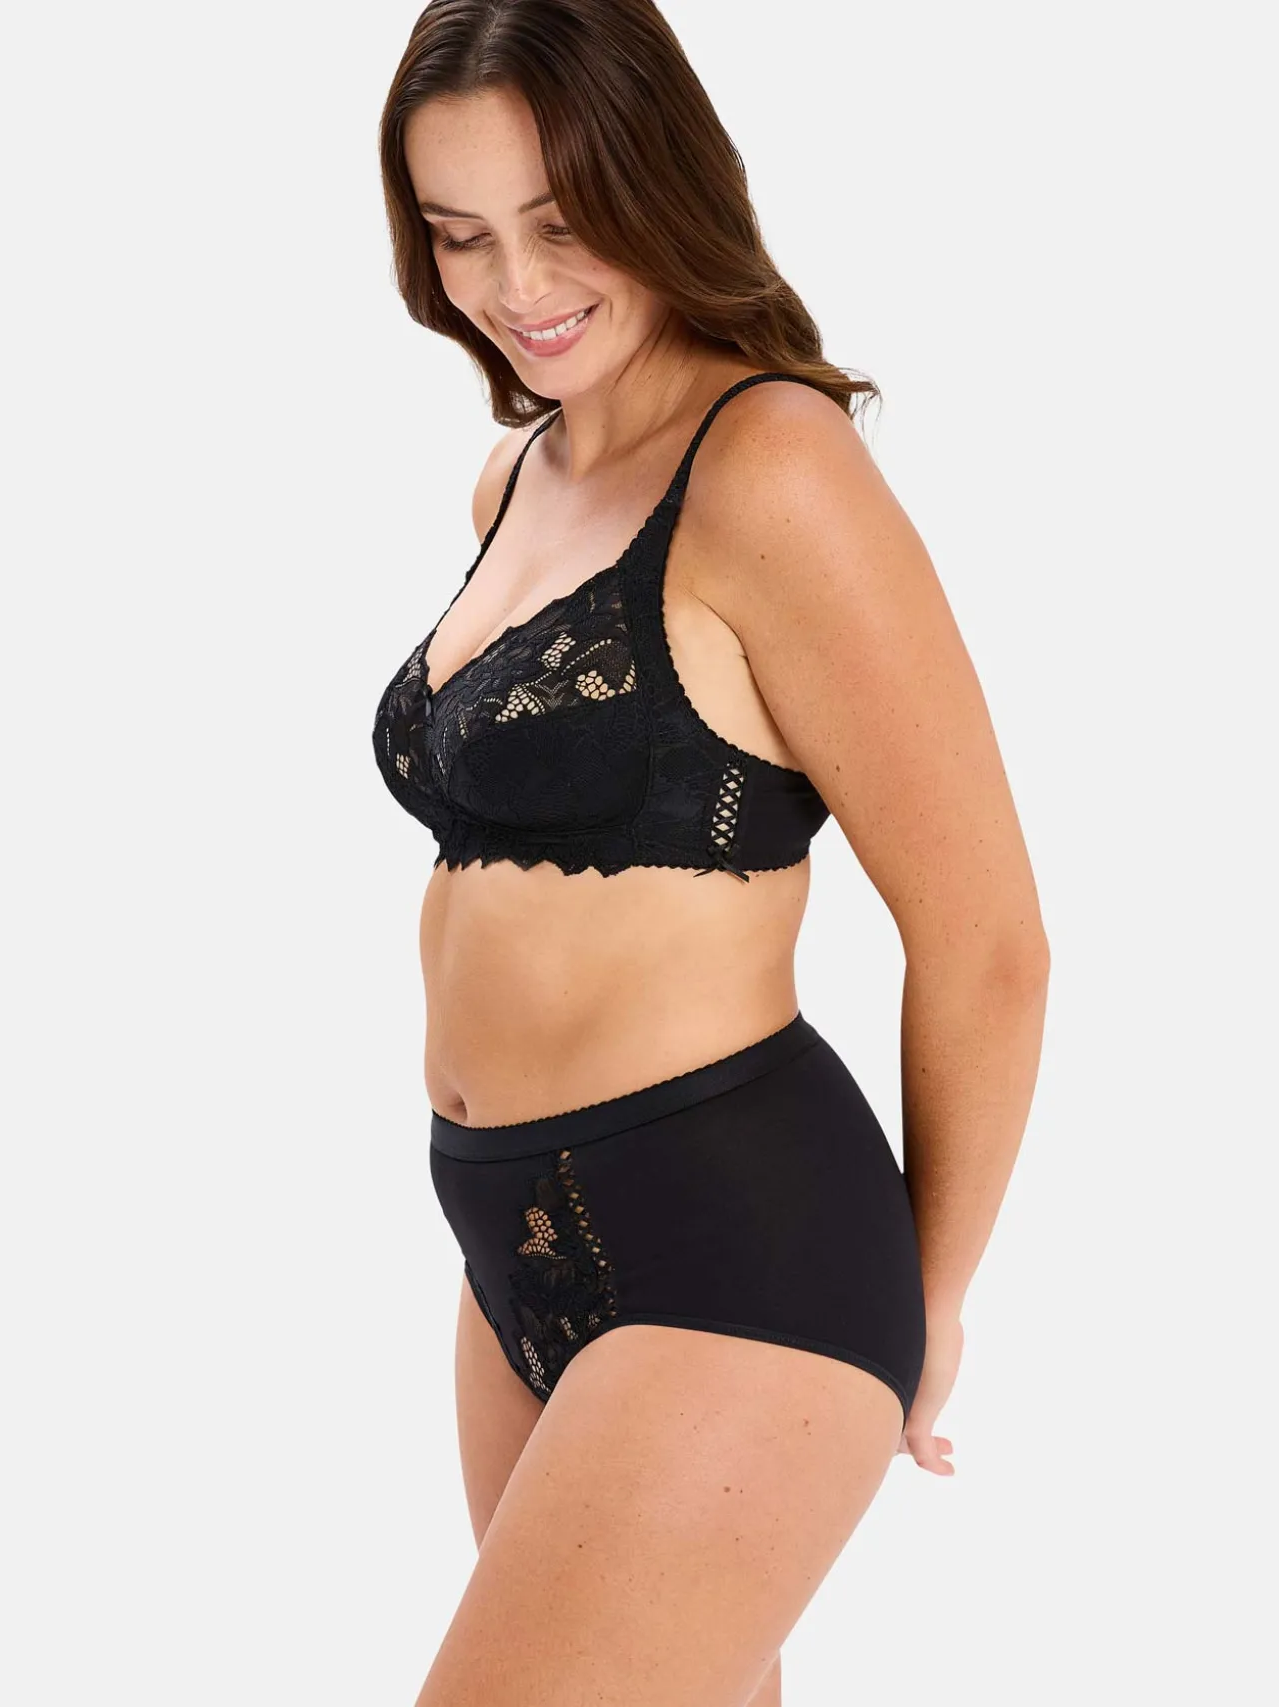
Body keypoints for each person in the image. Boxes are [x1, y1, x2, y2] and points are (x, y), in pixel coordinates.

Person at [371, 4, 1050, 1703]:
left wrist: (935, 1294)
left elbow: (986, 937)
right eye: (462, 233)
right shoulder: (516, 481)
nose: (516, 284)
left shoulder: (774, 469)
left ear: (657, 182)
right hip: (507, 1242)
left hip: (739, 1248)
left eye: (560, 221)